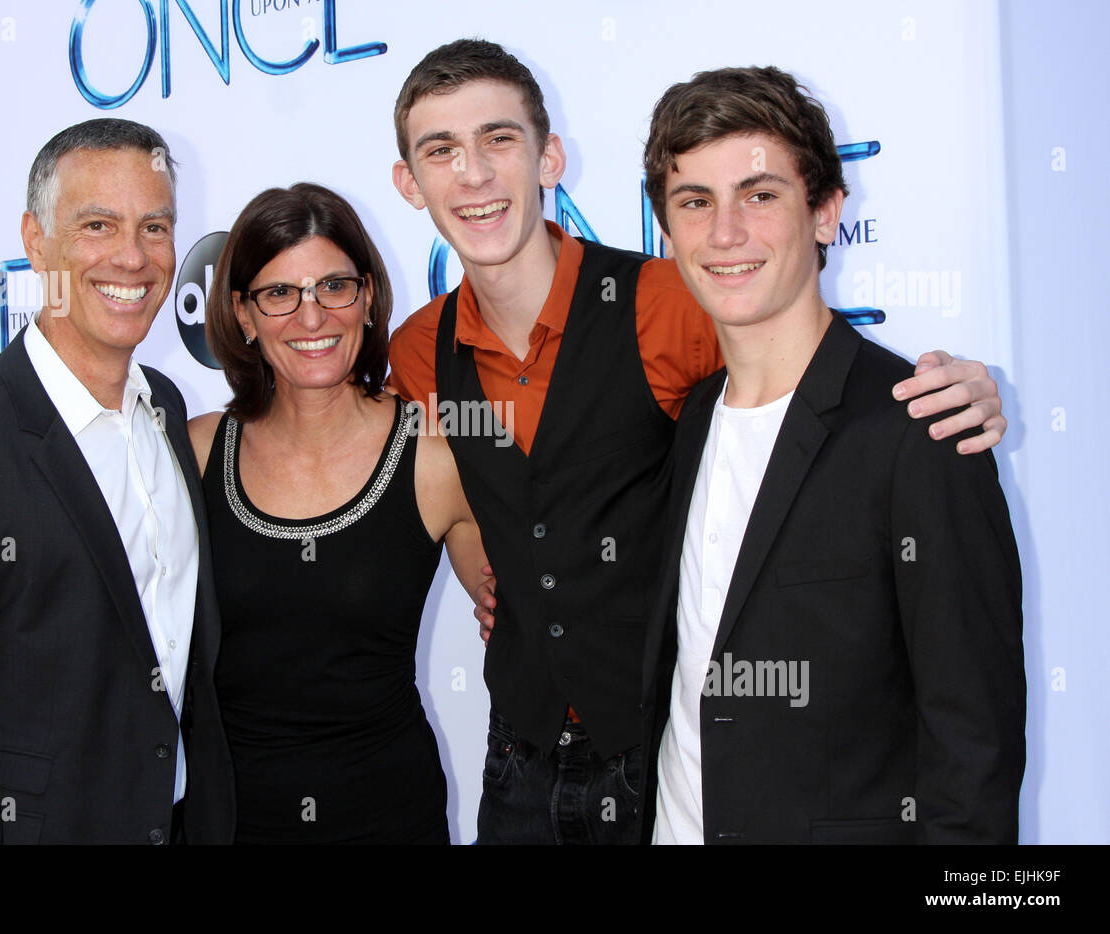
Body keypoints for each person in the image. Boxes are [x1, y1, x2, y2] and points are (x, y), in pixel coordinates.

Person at [386, 38, 1011, 845]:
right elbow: (454, 488)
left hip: (652, 764)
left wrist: (959, 386)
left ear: (550, 158)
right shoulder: (415, 350)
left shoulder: (671, 306)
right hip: (524, 762)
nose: (472, 173)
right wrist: (491, 572)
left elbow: (811, 392)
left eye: (498, 139)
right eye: (442, 151)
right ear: (410, 183)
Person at [638, 66, 1025, 844]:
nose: (725, 234)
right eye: (695, 202)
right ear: (666, 228)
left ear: (824, 212)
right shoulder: (690, 422)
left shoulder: (921, 427)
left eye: (760, 195)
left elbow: (973, 750)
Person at [0, 118, 234, 844]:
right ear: (37, 242)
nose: (133, 257)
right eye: (99, 225)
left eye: (155, 228)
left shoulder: (165, 405)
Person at [188, 183, 488, 844]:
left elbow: (523, 614)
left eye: (334, 287)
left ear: (369, 295)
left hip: (389, 818)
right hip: (231, 821)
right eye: (278, 294)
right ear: (243, 315)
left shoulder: (435, 454)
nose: (311, 316)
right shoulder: (199, 451)